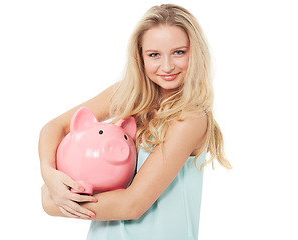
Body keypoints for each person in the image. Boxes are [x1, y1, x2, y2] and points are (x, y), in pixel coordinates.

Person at [39, 4, 232, 240]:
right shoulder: (128, 95)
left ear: (196, 53)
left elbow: (132, 204)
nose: (167, 66)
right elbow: (55, 127)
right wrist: (49, 174)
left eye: (179, 52)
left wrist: (52, 202)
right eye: (154, 55)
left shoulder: (190, 118)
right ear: (140, 56)